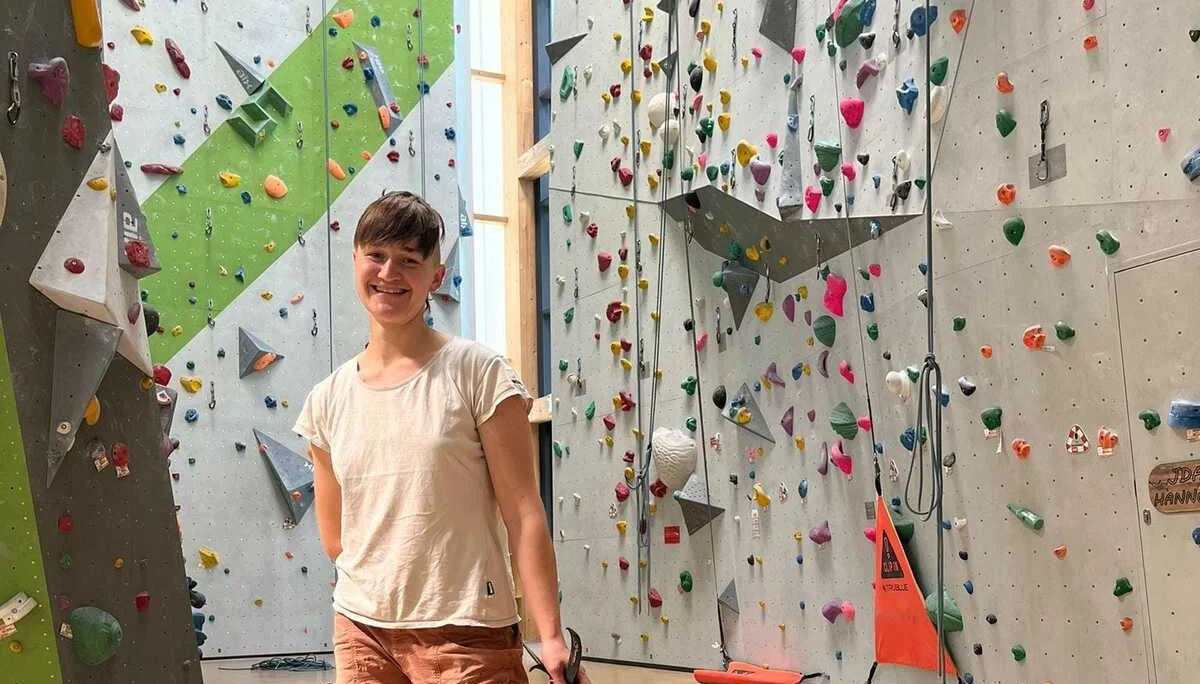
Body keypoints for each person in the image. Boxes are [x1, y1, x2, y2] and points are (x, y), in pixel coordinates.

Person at [293, 191, 587, 684]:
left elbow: (523, 513)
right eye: (377, 255)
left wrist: (551, 635)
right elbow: (337, 538)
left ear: (435, 276)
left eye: (409, 260)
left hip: (467, 630)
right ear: (355, 261)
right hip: (362, 633)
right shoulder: (326, 400)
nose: (389, 273)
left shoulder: (478, 373)